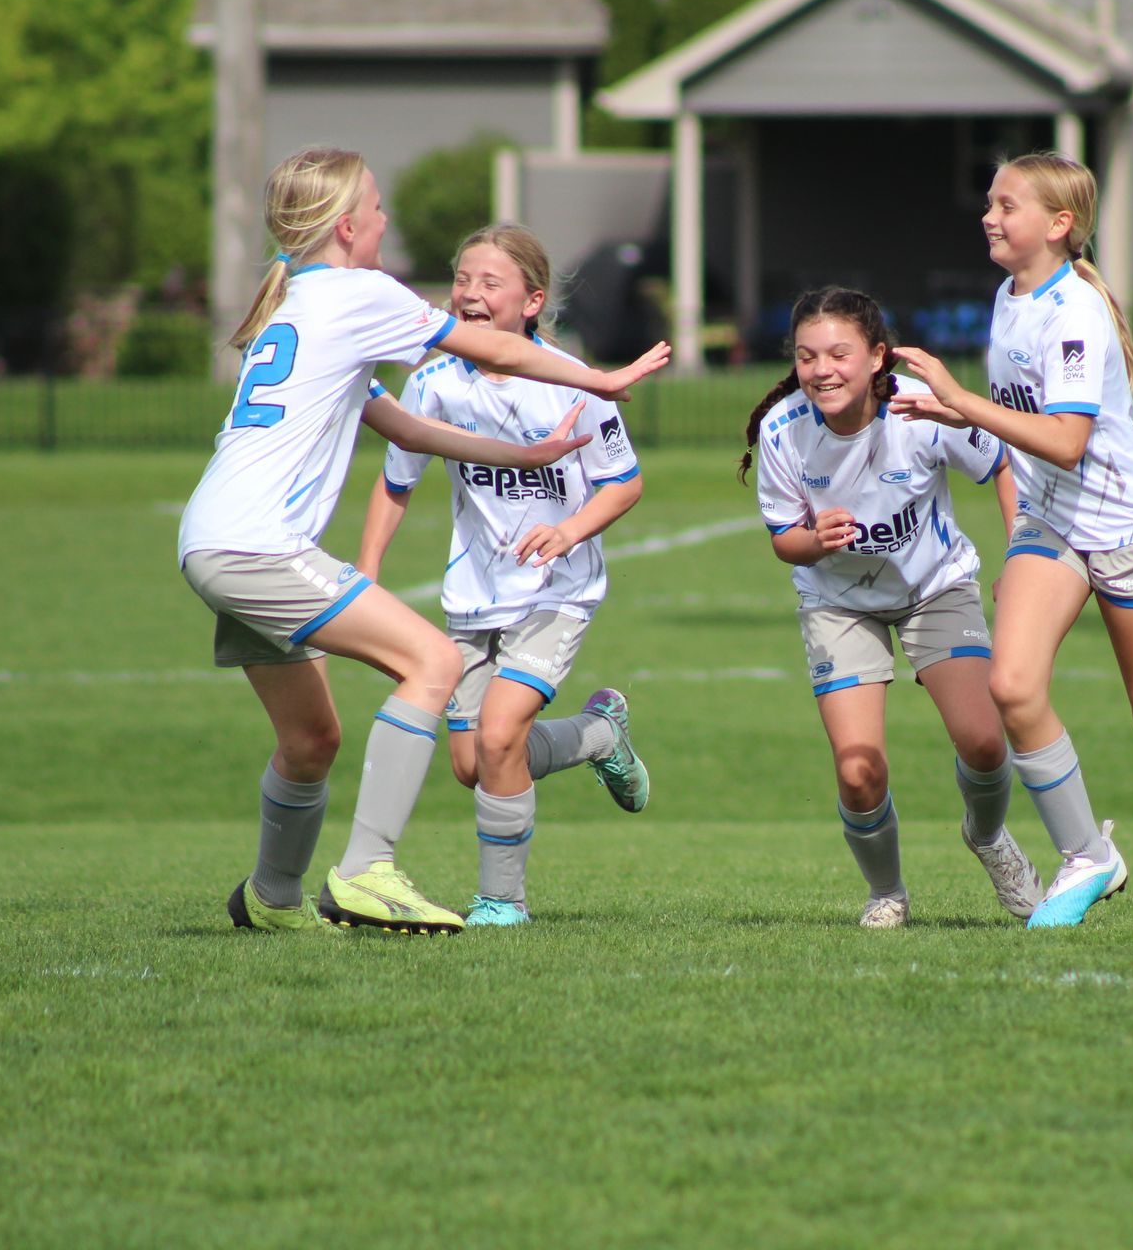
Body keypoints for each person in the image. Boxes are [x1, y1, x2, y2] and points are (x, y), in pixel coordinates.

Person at [178, 147, 669, 935]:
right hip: (260, 545)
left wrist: (529, 456)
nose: (384, 221)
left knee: (312, 739)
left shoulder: (297, 303)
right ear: (347, 228)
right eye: (376, 208)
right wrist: (601, 380)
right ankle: (368, 871)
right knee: (433, 662)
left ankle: (272, 899)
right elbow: (500, 348)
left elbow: (404, 426)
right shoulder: (359, 291)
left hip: (210, 540)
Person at [891, 151, 1133, 930]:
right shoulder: (1010, 294)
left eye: (1007, 205)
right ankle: (1089, 855)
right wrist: (951, 410)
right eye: (989, 203)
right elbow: (1023, 417)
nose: (989, 216)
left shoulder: (1075, 313)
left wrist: (962, 398)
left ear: (1059, 226)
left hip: (1129, 525)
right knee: (1014, 687)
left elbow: (1064, 440)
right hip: (1051, 521)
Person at [357, 224, 650, 929]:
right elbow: (396, 482)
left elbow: (624, 484)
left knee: (498, 739)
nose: (470, 293)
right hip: (472, 599)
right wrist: (365, 575)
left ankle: (502, 902)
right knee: (473, 763)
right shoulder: (431, 383)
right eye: (463, 279)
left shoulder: (571, 384)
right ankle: (599, 736)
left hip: (558, 593)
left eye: (490, 283)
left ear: (531, 301)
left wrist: (568, 531)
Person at [742, 287, 1043, 927]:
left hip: (935, 586)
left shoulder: (921, 410)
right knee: (858, 772)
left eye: (839, 354)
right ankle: (887, 893)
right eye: (806, 356)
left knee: (986, 744)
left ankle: (990, 839)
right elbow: (783, 542)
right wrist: (811, 540)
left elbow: (1001, 463)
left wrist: (1020, 553)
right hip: (837, 602)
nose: (822, 369)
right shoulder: (782, 431)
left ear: (878, 356)